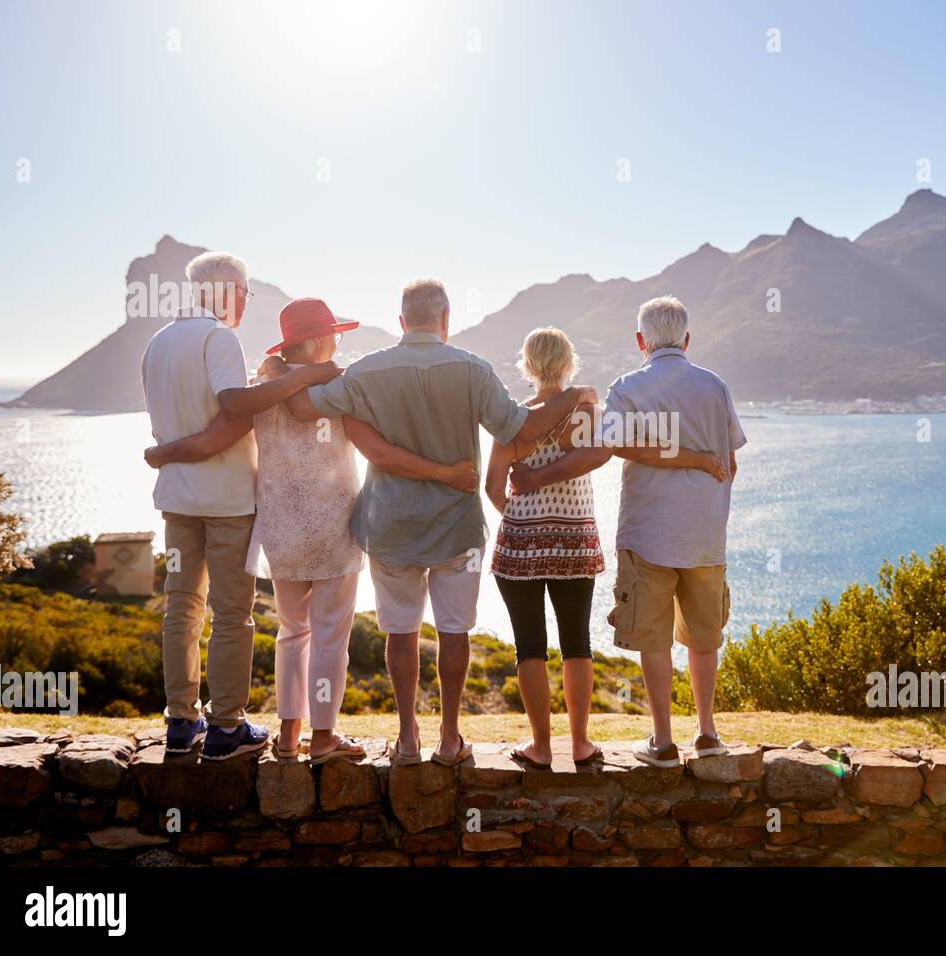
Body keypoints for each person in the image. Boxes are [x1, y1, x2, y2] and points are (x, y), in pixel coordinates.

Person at [147, 297, 477, 764]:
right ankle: (323, 738)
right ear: (322, 340)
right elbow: (374, 447)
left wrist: (165, 453)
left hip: (279, 528)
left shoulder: (262, 387)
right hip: (332, 527)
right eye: (335, 335)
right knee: (329, 639)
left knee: (291, 633)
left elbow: (220, 436)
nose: (338, 342)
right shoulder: (340, 388)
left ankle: (287, 735)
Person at [282, 278, 595, 767]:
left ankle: (407, 738)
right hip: (456, 528)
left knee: (400, 633)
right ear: (445, 319)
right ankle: (450, 739)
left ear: (402, 320)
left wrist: (308, 371)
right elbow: (525, 427)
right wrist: (574, 395)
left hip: (390, 527)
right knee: (454, 633)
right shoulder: (472, 369)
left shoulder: (367, 371)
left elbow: (302, 407)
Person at [508, 296, 745, 768]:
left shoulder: (627, 387)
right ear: (687, 339)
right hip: (704, 536)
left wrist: (534, 477)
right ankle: (707, 732)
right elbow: (730, 461)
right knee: (703, 638)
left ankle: (662, 740)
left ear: (641, 341)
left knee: (653, 638)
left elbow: (607, 448)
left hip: (648, 532)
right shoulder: (714, 386)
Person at [140, 252, 340, 760]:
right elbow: (234, 407)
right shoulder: (219, 338)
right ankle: (226, 727)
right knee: (232, 613)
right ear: (228, 292)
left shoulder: (157, 343)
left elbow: (188, 422)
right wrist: (299, 379)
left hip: (176, 499)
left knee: (181, 609)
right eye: (246, 294)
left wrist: (168, 454)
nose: (246, 305)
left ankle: (181, 723)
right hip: (227, 500)